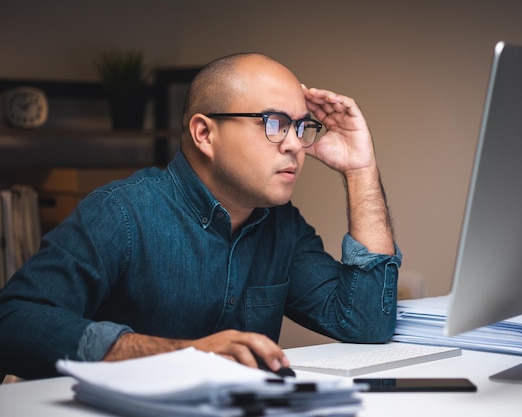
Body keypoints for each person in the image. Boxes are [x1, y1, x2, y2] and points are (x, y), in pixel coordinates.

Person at [0, 53, 401, 380]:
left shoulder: (282, 225)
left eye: (301, 126)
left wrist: (360, 170)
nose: (296, 144)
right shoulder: (120, 212)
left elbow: (366, 324)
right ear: (204, 134)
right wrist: (179, 354)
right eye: (275, 123)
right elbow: (13, 322)